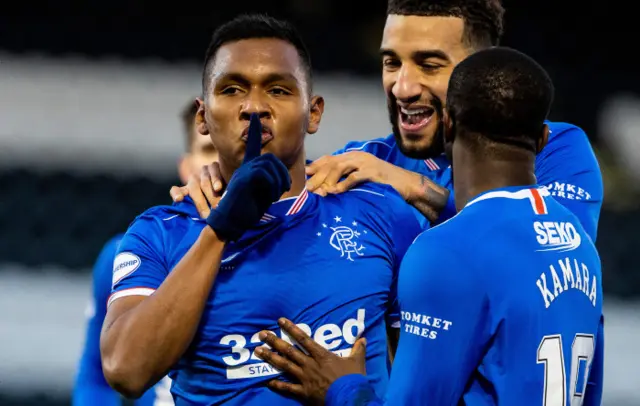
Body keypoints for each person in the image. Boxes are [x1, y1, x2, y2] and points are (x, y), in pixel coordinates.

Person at [99, 14, 423, 405]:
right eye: (233, 89)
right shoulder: (160, 233)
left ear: (314, 112)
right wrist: (220, 230)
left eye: (279, 90)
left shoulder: (382, 216)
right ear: (203, 117)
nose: (254, 107)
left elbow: (426, 383)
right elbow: (126, 371)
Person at [253, 47, 604, 406]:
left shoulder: (445, 250)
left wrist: (339, 388)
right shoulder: (580, 245)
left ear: (448, 123)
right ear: (543, 139)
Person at [172, 0, 603, 242]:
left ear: (480, 70)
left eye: (429, 64)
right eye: (391, 62)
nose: (402, 86)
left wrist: (415, 188)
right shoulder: (362, 163)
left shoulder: (550, 149)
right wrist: (219, 185)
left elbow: (552, 249)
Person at [72, 101, 217, 406]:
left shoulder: (286, 252)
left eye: (229, 150)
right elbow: (96, 378)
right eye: (207, 149)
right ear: (186, 166)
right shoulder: (122, 256)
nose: (219, 163)